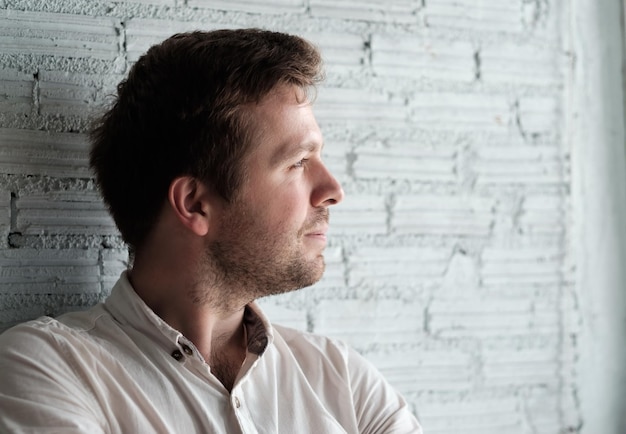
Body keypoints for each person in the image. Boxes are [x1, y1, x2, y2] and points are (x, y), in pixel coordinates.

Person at [0, 29, 422, 433]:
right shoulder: (51, 369)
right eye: (297, 163)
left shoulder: (341, 379)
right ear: (195, 204)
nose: (333, 190)